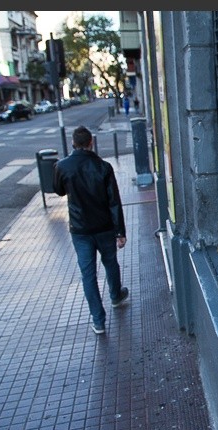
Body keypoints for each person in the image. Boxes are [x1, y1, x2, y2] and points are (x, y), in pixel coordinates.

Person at [53, 125, 129, 335]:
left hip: (80, 229)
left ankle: (98, 320)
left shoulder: (62, 166)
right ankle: (115, 295)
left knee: (88, 274)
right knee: (110, 262)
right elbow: (114, 201)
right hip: (104, 226)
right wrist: (120, 232)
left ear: (73, 144)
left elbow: (58, 190)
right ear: (91, 143)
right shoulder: (103, 167)